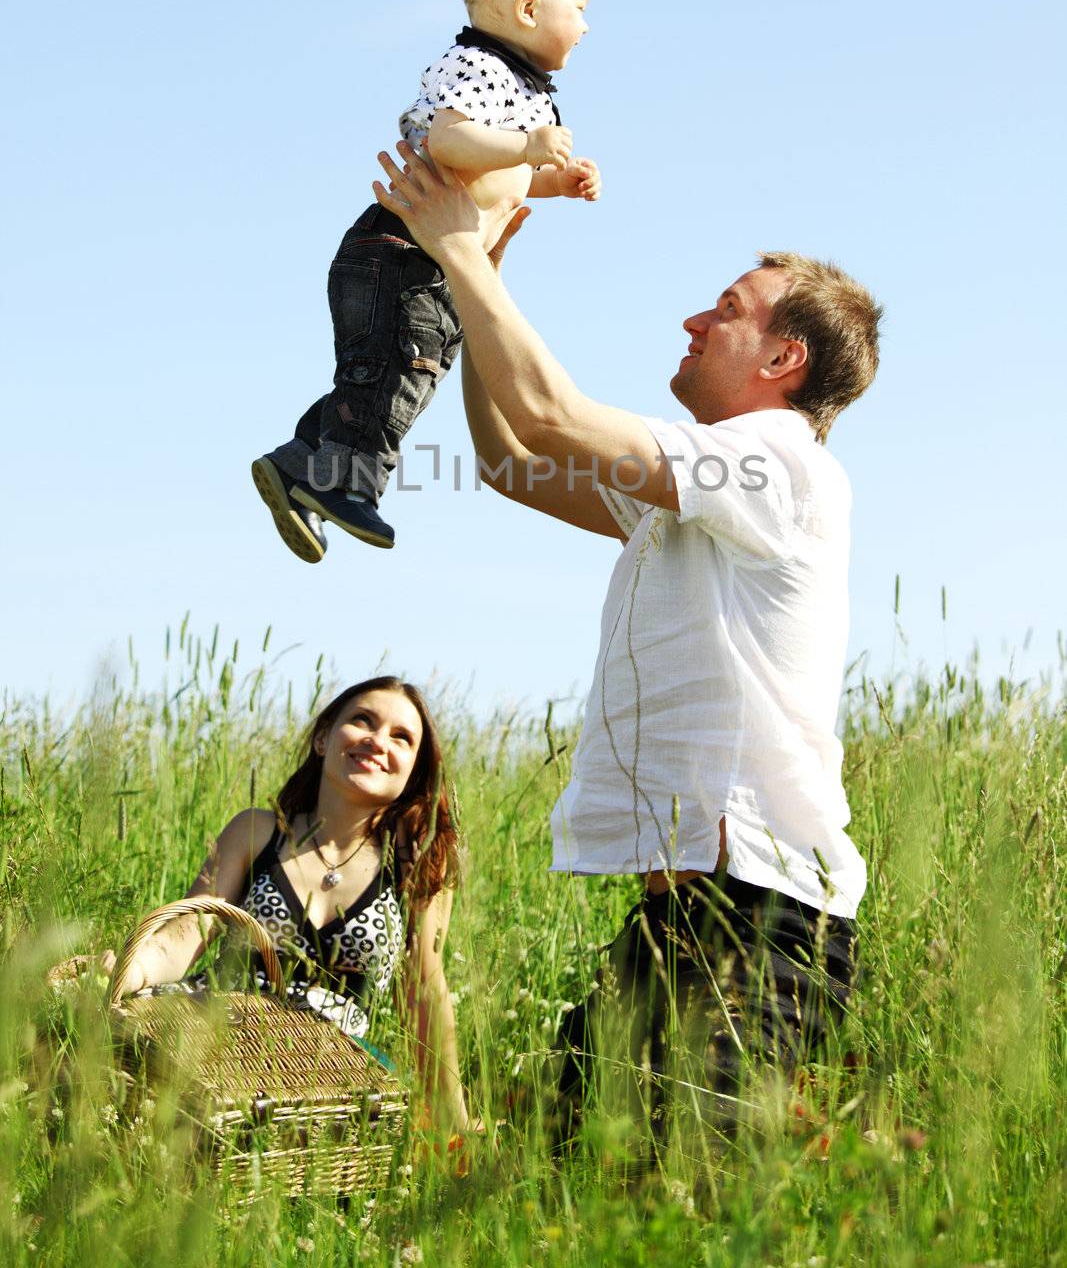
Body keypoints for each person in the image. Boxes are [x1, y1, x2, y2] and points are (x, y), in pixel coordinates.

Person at [370, 144, 883, 1142]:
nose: (694, 319)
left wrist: (463, 251)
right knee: (571, 1177)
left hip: (762, 926)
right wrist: (485, 283)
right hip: (679, 925)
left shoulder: (779, 469)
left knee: (688, 1211)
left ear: (783, 361)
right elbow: (513, 459)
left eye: (725, 309)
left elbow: (551, 410)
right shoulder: (696, 492)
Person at [251, 0, 601, 560]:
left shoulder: (530, 94)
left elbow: (514, 178)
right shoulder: (477, 66)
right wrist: (527, 145)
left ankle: (303, 460)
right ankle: (347, 485)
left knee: (385, 373)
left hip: (435, 266)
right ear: (529, 7)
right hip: (399, 254)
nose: (584, 26)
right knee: (396, 375)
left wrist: (557, 180)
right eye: (578, 9)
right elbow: (447, 140)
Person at [95, 676, 473, 1133]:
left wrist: (456, 1120)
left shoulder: (418, 862)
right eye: (362, 721)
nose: (377, 741)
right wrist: (127, 972)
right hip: (209, 1034)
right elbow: (185, 933)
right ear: (322, 738)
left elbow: (425, 992)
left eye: (401, 737)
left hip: (324, 1072)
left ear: (413, 769)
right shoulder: (257, 832)